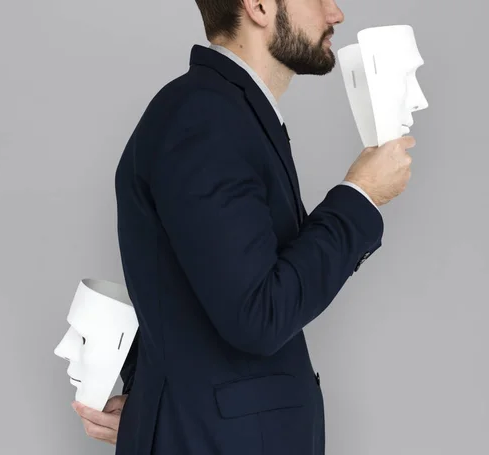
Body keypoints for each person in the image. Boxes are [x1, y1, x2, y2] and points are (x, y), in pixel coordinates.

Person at [72, 0, 415, 453]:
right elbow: (259, 315)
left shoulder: (228, 112)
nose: (335, 13)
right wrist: (362, 194)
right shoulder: (204, 117)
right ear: (258, 6)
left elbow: (190, 290)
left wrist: (155, 408)